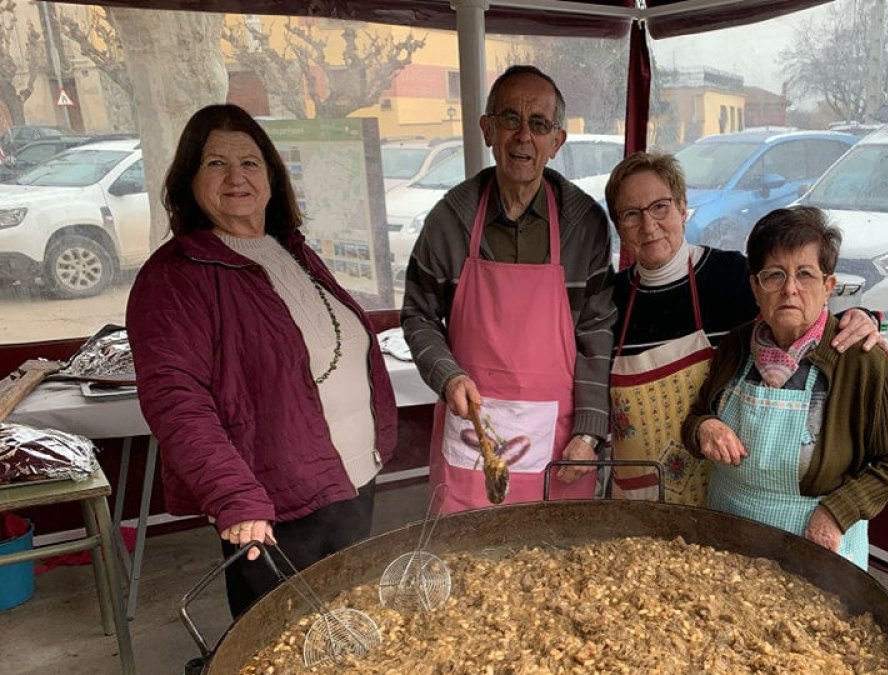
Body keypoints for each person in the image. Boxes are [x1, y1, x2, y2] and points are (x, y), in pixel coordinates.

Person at [126, 104, 397, 618]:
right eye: (215, 163)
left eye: (250, 163)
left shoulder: (288, 248)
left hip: (352, 479)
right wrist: (234, 496)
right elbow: (175, 399)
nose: (236, 177)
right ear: (189, 177)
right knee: (281, 637)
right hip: (272, 501)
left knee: (348, 619)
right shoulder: (174, 277)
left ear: (272, 176)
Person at [604, 152, 883, 505]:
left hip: (716, 497)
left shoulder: (730, 276)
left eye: (660, 207)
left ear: (683, 206)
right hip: (634, 500)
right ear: (618, 226)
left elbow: (802, 310)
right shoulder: (610, 299)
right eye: (632, 214)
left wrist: (859, 316)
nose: (648, 225)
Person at [401, 65, 614, 513]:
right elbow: (419, 315)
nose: (523, 136)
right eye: (509, 119)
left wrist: (590, 431)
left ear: (557, 142)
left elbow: (596, 335)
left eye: (539, 124)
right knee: (468, 562)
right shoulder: (451, 219)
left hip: (559, 442)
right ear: (487, 129)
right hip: (470, 435)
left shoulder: (583, 224)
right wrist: (447, 373)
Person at [681, 206, 888, 569]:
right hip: (728, 535)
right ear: (755, 287)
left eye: (805, 274)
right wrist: (704, 427)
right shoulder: (735, 346)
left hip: (812, 541)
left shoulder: (861, 359)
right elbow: (696, 417)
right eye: (774, 275)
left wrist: (838, 512)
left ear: (828, 287)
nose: (790, 289)